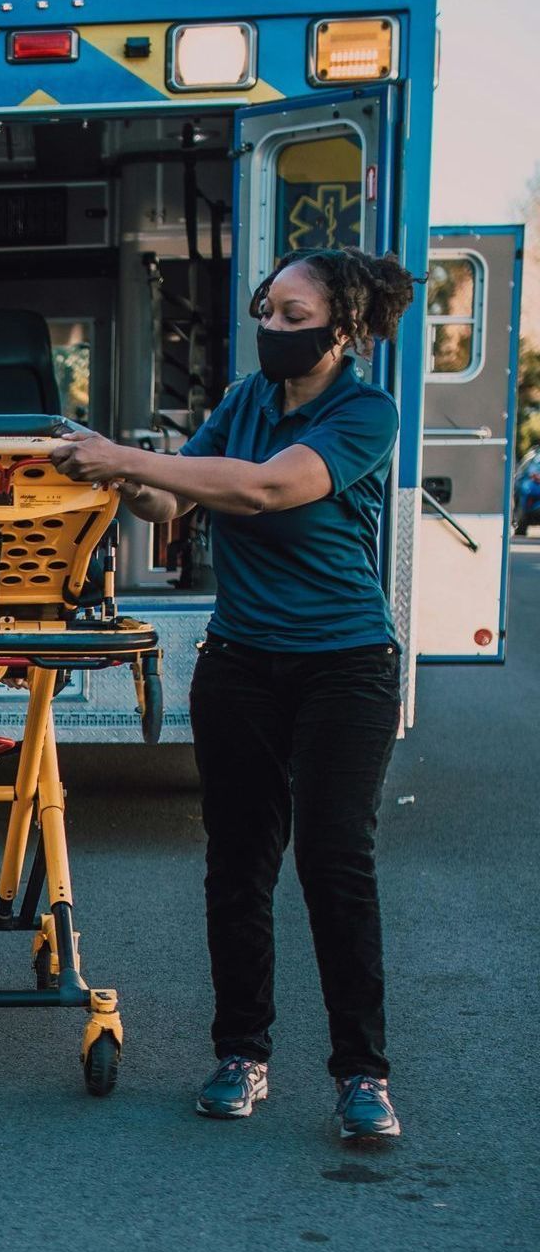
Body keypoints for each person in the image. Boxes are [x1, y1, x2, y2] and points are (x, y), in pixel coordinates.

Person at [49, 248, 416, 1140]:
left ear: (347, 330)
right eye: (269, 313)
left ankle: (361, 1075)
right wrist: (119, 477)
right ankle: (240, 1054)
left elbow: (263, 489)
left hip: (345, 665)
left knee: (333, 863)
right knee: (238, 863)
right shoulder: (246, 401)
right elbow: (171, 507)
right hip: (242, 663)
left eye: (297, 318)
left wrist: (127, 455)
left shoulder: (367, 412)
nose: (276, 332)